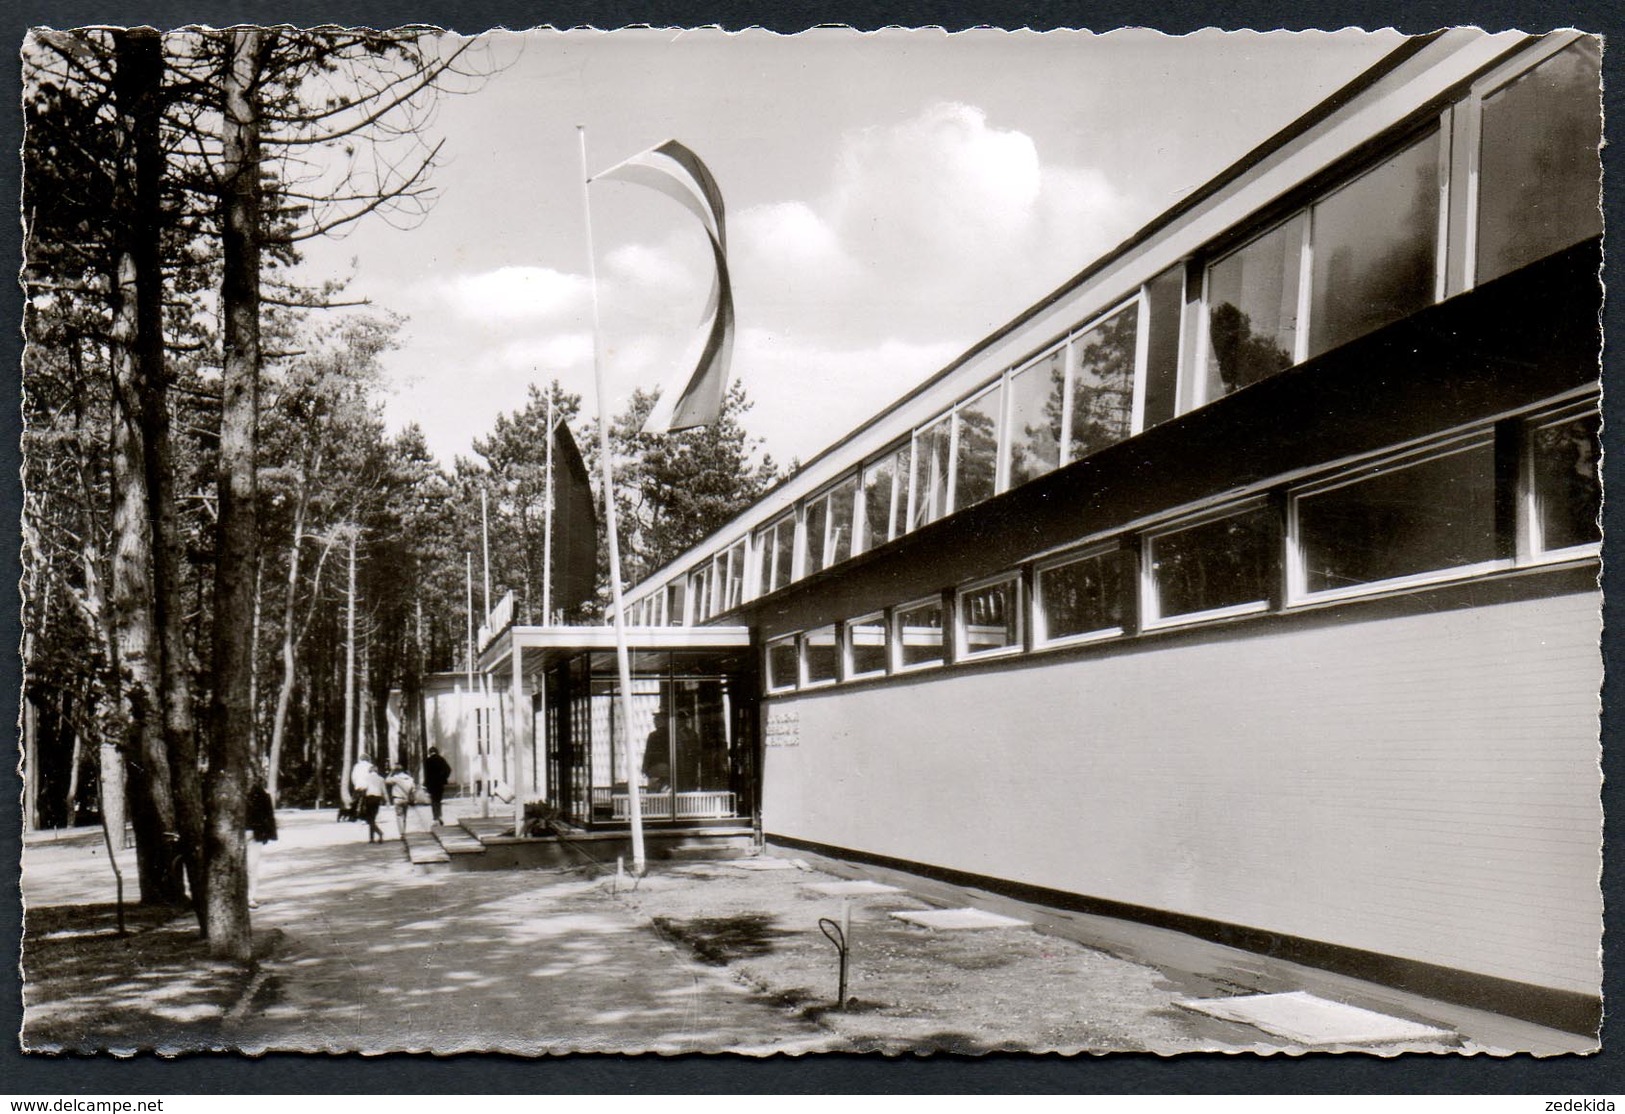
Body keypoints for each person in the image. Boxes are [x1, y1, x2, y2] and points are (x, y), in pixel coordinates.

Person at [246, 767, 277, 909]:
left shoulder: (262, 795)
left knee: (252, 865)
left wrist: (267, 834)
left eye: (250, 774)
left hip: (254, 835)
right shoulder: (232, 793)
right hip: (235, 835)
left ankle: (250, 897)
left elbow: (268, 816)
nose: (247, 777)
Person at [385, 763, 416, 840]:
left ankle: (402, 834)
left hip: (397, 799)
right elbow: (413, 789)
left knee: (399, 816)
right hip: (406, 799)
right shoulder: (410, 778)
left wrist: (391, 772)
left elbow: (386, 781)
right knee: (404, 817)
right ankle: (404, 832)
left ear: (395, 771)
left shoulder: (395, 778)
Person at [422, 747, 451, 826]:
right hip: (440, 784)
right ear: (436, 752)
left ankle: (435, 817)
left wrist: (425, 784)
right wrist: (444, 778)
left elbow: (426, 774)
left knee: (434, 800)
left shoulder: (428, 761)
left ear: (430, 752)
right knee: (438, 800)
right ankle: (440, 816)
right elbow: (448, 769)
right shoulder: (441, 759)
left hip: (431, 784)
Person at [361, 759, 387, 843]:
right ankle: (371, 838)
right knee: (373, 818)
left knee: (370, 819)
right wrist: (387, 800)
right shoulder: (381, 779)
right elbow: (384, 790)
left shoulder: (366, 778)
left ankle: (379, 833)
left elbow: (364, 788)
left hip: (369, 798)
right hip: (377, 798)